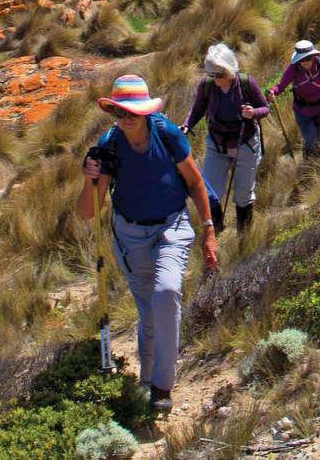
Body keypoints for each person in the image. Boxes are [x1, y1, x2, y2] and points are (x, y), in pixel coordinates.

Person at [77, 74, 219, 415]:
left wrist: (208, 229)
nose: (126, 118)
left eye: (133, 112)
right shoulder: (109, 144)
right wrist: (89, 180)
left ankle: (162, 385)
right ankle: (147, 377)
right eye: (120, 112)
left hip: (171, 226)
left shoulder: (167, 134)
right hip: (129, 235)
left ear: (145, 112)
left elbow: (195, 182)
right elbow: (88, 211)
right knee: (148, 312)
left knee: (167, 293)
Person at [181, 44, 267, 232]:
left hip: (245, 143)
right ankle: (217, 230)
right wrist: (187, 125)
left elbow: (265, 108)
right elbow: (197, 109)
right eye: (211, 74)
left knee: (243, 194)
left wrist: (253, 113)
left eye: (218, 75)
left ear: (229, 69)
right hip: (217, 145)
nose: (215, 79)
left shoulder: (246, 83)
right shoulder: (207, 86)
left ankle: (244, 235)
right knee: (211, 191)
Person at [268, 40, 320, 162]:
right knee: (310, 139)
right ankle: (308, 163)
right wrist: (273, 92)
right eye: (302, 59)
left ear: (313, 56)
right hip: (302, 111)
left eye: (308, 58)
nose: (306, 62)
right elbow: (281, 85)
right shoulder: (293, 68)